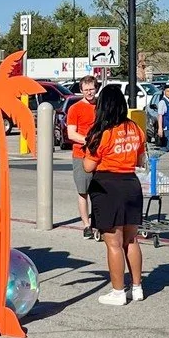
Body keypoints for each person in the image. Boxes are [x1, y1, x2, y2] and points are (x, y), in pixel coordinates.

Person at [83, 82, 146, 306]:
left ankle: (118, 291)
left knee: (113, 243)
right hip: (131, 184)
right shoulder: (135, 129)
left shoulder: (102, 133)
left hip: (108, 186)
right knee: (131, 239)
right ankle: (137, 287)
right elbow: (140, 160)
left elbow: (88, 167)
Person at [64, 75, 99, 239]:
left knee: (99, 192)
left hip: (101, 155)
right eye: (86, 90)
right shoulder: (75, 109)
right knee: (83, 191)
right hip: (81, 155)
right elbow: (71, 133)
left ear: (96, 88)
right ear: (81, 90)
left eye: (91, 89)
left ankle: (99, 223)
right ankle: (86, 225)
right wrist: (88, 140)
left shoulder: (100, 106)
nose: (89, 92)